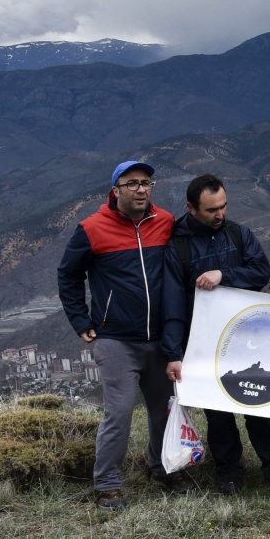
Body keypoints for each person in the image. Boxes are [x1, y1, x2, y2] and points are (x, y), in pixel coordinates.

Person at [161, 174, 270, 495]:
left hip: (247, 343)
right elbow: (172, 305)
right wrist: (173, 353)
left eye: (223, 206)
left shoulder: (238, 235)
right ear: (191, 209)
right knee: (218, 415)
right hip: (204, 346)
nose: (220, 214)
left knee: (259, 409)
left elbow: (261, 272)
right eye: (211, 210)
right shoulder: (177, 247)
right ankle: (229, 475)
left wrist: (224, 274)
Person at [57, 159, 175, 510]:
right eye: (132, 183)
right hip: (116, 339)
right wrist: (80, 320)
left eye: (146, 182)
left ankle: (164, 469)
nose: (141, 188)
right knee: (119, 413)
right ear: (116, 190)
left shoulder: (165, 222)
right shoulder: (92, 228)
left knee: (164, 410)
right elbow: (68, 275)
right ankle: (107, 483)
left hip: (161, 339)